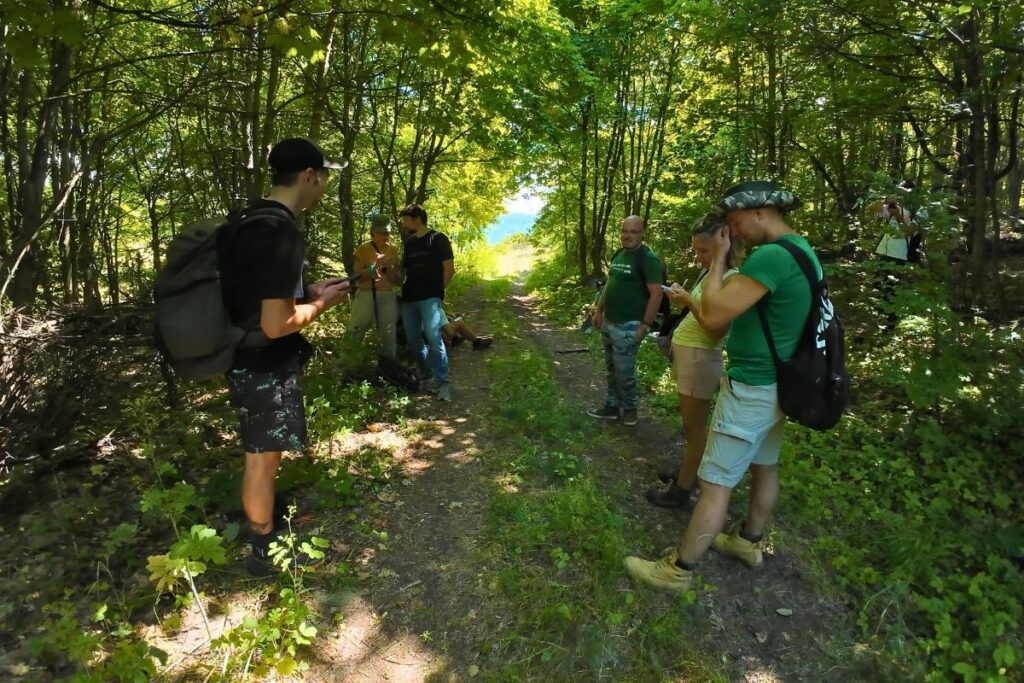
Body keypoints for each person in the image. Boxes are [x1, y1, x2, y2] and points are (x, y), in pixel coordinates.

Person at [624, 180, 821, 592]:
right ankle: (748, 542)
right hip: (780, 385)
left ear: (760, 212)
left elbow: (712, 319)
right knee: (766, 465)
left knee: (714, 483)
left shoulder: (770, 257)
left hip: (753, 386)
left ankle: (678, 570)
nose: (733, 232)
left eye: (735, 223)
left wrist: (717, 261)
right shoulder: (804, 251)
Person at [219, 137, 351, 576]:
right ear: (309, 176)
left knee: (264, 454)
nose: (325, 185)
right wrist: (320, 306)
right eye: (325, 176)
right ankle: (263, 550)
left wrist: (307, 291)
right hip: (264, 360)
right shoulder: (281, 231)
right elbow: (277, 324)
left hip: (243, 353)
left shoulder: (250, 219)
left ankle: (264, 527)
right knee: (262, 457)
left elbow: (254, 293)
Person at [645, 216, 743, 509]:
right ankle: (689, 472)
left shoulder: (730, 278)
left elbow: (716, 329)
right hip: (690, 357)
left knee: (695, 428)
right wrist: (684, 298)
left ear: (724, 247)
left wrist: (688, 301)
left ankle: (683, 490)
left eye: (704, 251)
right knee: (691, 426)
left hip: (701, 359)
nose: (698, 257)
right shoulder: (710, 275)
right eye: (696, 251)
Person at [587, 216, 664, 427]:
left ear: (642, 233)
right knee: (611, 368)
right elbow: (609, 284)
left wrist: (646, 325)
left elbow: (656, 294)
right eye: (624, 231)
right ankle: (612, 407)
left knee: (624, 371)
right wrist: (599, 311)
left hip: (629, 324)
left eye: (633, 231)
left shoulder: (648, 259)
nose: (627, 235)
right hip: (609, 321)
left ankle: (630, 410)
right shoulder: (618, 255)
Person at [399, 203, 455, 401]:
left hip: (430, 298)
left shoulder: (438, 239)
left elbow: (449, 268)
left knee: (434, 338)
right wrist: (388, 269)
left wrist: (439, 292)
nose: (404, 224)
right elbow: (402, 274)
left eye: (406, 219)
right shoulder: (409, 243)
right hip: (409, 298)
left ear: (417, 218)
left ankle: (443, 384)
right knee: (414, 341)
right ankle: (427, 372)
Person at [347, 214, 402, 358]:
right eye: (381, 232)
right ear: (373, 232)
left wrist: (391, 268)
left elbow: (396, 280)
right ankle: (344, 365)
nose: (385, 235)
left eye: (388, 232)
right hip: (366, 293)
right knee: (356, 329)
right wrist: (374, 267)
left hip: (387, 295)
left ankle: (389, 366)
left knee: (388, 333)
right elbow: (356, 275)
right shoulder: (363, 249)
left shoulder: (393, 250)